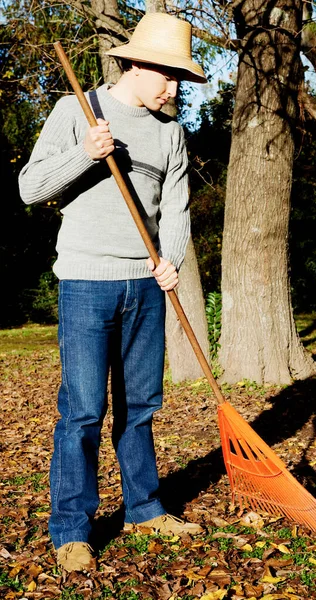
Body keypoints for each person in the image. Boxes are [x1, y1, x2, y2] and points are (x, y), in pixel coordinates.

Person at [18, 12, 207, 573]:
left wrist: (169, 260)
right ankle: (71, 529)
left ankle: (145, 508)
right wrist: (85, 153)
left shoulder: (170, 131)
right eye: (171, 77)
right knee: (82, 410)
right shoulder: (77, 111)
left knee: (141, 405)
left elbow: (176, 209)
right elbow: (30, 187)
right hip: (85, 283)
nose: (175, 89)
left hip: (146, 286)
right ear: (139, 64)